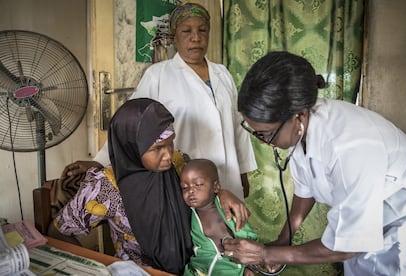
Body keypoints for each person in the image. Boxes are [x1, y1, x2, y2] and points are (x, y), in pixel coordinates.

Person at [222, 51, 406, 275]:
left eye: (266, 134)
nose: (263, 142)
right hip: (369, 228)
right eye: (254, 131)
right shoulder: (304, 130)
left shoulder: (350, 147)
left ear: (299, 117)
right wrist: (283, 240)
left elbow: (347, 246)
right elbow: (306, 190)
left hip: (405, 229)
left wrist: (266, 254)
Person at [64, 1, 257, 200]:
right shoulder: (158, 75)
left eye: (202, 30)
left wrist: (243, 171)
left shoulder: (223, 74)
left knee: (229, 227)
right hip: (186, 180)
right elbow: (131, 124)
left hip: (227, 175)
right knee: (192, 227)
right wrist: (100, 161)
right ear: (174, 36)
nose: (196, 38)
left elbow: (238, 126)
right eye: (186, 31)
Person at [50, 98, 248, 275]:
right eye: (157, 149)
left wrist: (222, 193)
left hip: (194, 268)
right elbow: (58, 232)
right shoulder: (105, 187)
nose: (168, 155)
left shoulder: (179, 165)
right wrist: (101, 267)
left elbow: (202, 188)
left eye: (170, 144)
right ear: (131, 147)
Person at [180, 158, 258, 276]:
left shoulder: (226, 210)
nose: (191, 191)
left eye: (198, 184)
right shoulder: (189, 213)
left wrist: (250, 267)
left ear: (216, 187)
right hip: (201, 269)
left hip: (233, 269)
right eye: (184, 187)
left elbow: (247, 238)